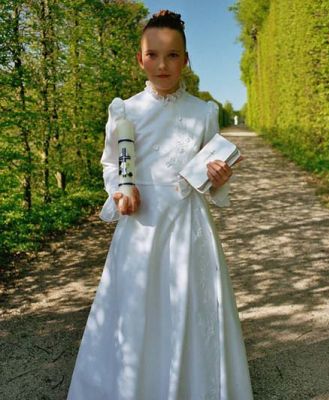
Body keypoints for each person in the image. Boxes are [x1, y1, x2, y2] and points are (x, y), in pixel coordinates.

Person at [67, 9, 253, 400]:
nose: (162, 64)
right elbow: (111, 162)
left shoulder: (203, 112)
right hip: (140, 226)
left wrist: (219, 178)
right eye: (153, 54)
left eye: (172, 55)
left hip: (188, 225)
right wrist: (121, 190)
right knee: (137, 309)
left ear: (186, 60)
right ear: (140, 59)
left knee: (189, 305)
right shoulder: (124, 110)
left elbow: (208, 173)